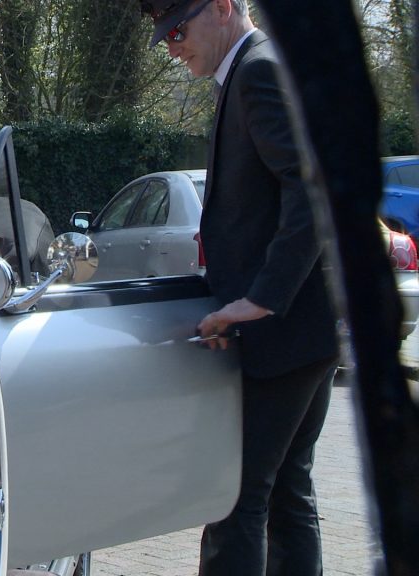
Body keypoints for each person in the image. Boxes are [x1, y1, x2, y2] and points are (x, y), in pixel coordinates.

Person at [138, 1, 340, 575]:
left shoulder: (258, 71)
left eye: (178, 29)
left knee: (236, 499)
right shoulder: (262, 66)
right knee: (286, 493)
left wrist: (260, 300)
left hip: (285, 332)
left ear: (223, 7)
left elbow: (312, 192)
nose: (172, 46)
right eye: (164, 35)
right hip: (307, 330)